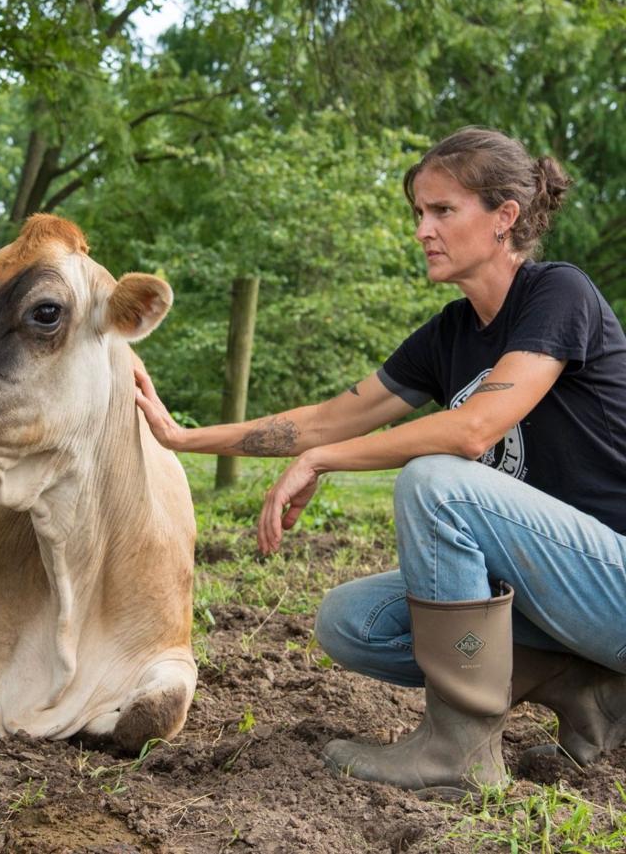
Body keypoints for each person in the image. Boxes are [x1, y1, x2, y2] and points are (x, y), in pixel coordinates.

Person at [134, 126, 626, 795]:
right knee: (351, 621)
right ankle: (587, 689)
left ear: (504, 217)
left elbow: (472, 428)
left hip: (614, 581)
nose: (423, 228)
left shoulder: (558, 294)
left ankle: (458, 748)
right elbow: (329, 417)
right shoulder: (449, 334)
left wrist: (324, 460)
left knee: (438, 481)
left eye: (443, 210)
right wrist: (181, 437)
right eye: (418, 212)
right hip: (557, 591)